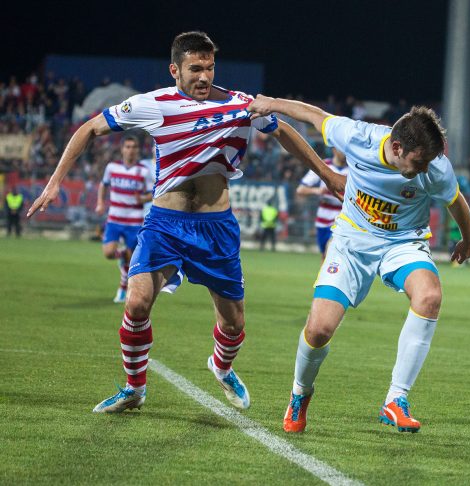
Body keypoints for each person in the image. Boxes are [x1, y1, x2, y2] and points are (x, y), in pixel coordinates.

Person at [27, 31, 345, 414]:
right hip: (165, 223)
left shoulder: (241, 106)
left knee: (233, 324)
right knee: (138, 302)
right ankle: (134, 388)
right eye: (196, 68)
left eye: (210, 68)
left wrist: (328, 176)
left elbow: (286, 134)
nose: (204, 77)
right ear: (175, 69)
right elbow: (89, 128)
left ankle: (222, 366)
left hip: (216, 228)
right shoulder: (153, 104)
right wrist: (55, 180)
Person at [248, 95, 470, 433]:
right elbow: (314, 115)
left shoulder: (435, 166)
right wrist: (270, 103)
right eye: (418, 162)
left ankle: (395, 399)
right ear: (396, 147)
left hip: (403, 243)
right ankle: (300, 392)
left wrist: (469, 239)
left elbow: (454, 201)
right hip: (352, 242)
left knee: (429, 297)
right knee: (319, 329)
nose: (425, 169)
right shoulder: (358, 136)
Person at [96, 135, 154, 303]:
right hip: (114, 218)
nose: (130, 150)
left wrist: (142, 199)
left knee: (130, 261)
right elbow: (103, 185)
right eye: (127, 147)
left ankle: (122, 289)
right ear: (122, 149)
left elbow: (153, 193)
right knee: (108, 253)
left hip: (134, 221)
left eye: (134, 147)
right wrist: (100, 203)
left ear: (137, 150)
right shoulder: (112, 167)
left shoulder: (143, 171)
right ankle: (120, 255)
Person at [296, 147, 348, 259]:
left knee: (332, 251)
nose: (345, 153)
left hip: (343, 216)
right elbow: (300, 189)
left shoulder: (353, 168)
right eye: (342, 149)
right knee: (324, 256)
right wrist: (317, 191)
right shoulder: (324, 166)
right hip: (323, 217)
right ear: (334, 149)